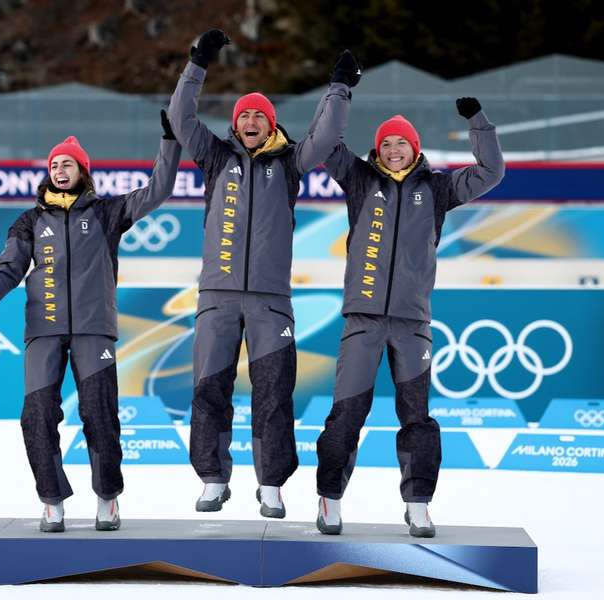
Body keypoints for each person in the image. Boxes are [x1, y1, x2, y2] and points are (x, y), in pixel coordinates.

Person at [167, 29, 357, 518]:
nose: (250, 120)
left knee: (274, 393)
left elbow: (328, 136)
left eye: (259, 115)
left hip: (271, 299)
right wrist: (198, 62)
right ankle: (212, 478)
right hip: (217, 297)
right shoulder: (215, 156)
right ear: (235, 125)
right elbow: (179, 117)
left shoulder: (290, 162)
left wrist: (338, 88)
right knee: (210, 388)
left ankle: (271, 484)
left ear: (271, 123)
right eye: (243, 115)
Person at [0, 112, 181, 532]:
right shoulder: (28, 221)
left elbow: (159, 190)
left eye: (68, 164)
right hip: (43, 330)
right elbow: (8, 268)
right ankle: (52, 500)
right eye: (54, 165)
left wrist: (169, 142)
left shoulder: (107, 213)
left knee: (100, 413)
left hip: (94, 328)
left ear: (83, 171)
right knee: (37, 415)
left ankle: (107, 497)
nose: (60, 170)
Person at [314, 84, 505, 536]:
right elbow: (324, 143)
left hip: (412, 322)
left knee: (416, 417)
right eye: (386, 143)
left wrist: (478, 122)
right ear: (376, 149)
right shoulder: (360, 179)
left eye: (401, 142)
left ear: (415, 148)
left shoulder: (436, 188)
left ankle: (418, 502)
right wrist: (339, 90)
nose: (393, 149)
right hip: (363, 319)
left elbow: (491, 171)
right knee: (346, 414)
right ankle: (330, 498)